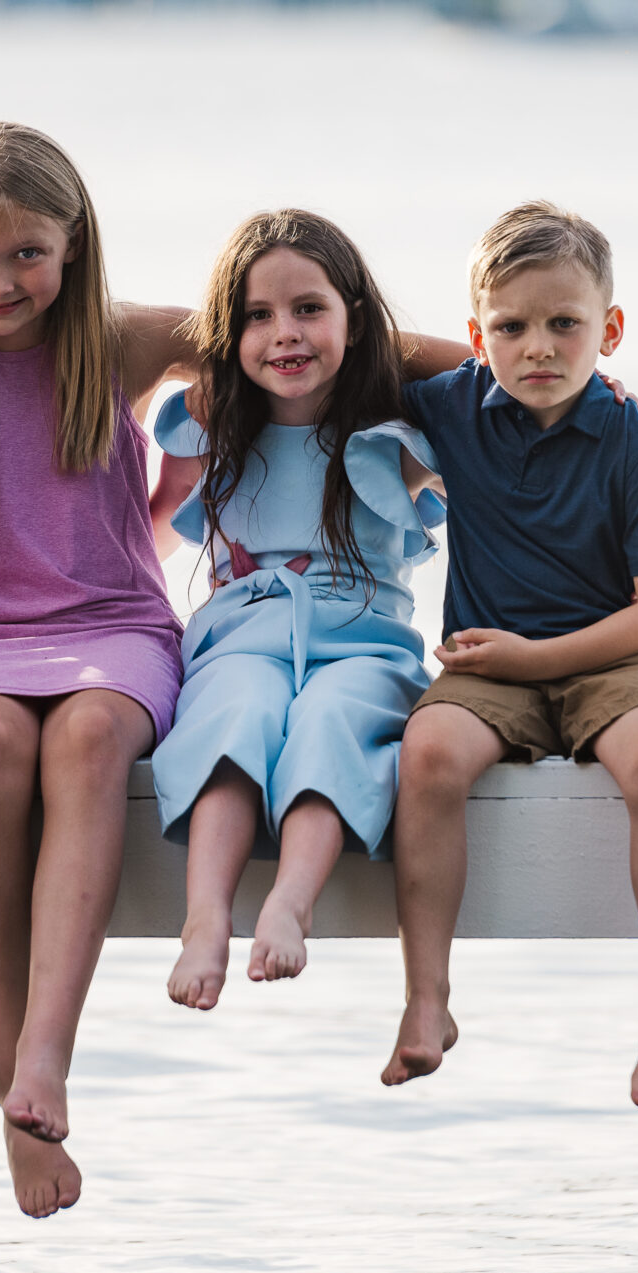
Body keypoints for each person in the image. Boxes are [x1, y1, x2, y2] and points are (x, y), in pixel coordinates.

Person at [0, 122, 206, 1219]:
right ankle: (9, 1082)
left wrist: (504, 369)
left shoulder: (122, 344)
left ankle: (48, 1056)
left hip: (119, 625)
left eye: (27, 251)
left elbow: (318, 335)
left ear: (73, 245)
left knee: (82, 740)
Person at [384, 201, 638, 1110]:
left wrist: (538, 658)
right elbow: (364, 339)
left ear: (609, 330)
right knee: (431, 753)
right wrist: (468, 348)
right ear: (477, 332)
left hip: (617, 655)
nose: (539, 349)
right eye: (511, 327)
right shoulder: (451, 406)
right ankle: (426, 997)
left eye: (566, 324)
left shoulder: (637, 442)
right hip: (490, 665)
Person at [150, 211, 443, 1011]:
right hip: (240, 638)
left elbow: (492, 389)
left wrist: (590, 386)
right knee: (233, 713)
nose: (285, 333)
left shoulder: (394, 439)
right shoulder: (212, 426)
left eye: (310, 308)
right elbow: (143, 530)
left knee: (330, 719)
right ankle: (206, 915)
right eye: (256, 315)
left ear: (355, 316)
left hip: (364, 646)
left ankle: (291, 899)